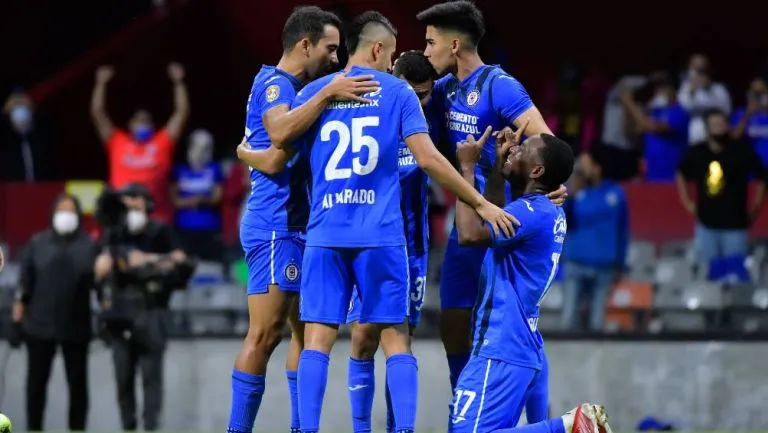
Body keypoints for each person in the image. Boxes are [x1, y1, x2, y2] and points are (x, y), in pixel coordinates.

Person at [281, 11, 516, 433]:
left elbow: (280, 142)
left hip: (326, 232)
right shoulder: (397, 92)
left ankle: (305, 429)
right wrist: (481, 203)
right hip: (381, 236)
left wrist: (246, 151)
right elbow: (428, 159)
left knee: (316, 338)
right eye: (390, 53)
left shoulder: (315, 92)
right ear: (377, 48)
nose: (392, 62)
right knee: (396, 338)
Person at [227, 7, 379, 433]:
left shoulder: (295, 88)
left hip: (301, 227)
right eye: (330, 49)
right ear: (305, 44)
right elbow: (278, 142)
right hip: (277, 225)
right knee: (265, 334)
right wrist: (328, 94)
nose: (335, 58)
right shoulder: (277, 85)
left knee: (303, 334)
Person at [415, 0, 562, 391]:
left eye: (431, 42)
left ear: (455, 45)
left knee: (511, 329)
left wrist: (554, 183)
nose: (426, 51)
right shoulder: (443, 89)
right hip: (466, 221)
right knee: (452, 319)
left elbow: (547, 142)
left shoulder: (499, 85)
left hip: (502, 222)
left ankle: (533, 409)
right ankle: (462, 402)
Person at [452, 124, 609, 433]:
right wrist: (499, 170)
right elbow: (495, 214)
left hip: (502, 345)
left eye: (523, 149)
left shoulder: (530, 212)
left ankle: (570, 426)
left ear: (536, 171)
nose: (514, 148)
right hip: (522, 344)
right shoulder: (543, 211)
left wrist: (466, 169)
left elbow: (470, 234)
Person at [343, 50, 440, 433]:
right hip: (366, 242)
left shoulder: (428, 123)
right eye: (414, 93)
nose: (420, 102)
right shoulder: (365, 111)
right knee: (363, 336)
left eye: (426, 95)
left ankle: (397, 429)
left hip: (411, 247)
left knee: (399, 338)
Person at [93, 184, 192, 431]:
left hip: (152, 312)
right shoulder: (114, 233)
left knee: (152, 379)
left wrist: (147, 261)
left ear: (147, 203)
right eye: (128, 199)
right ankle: (128, 426)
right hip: (119, 316)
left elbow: (183, 263)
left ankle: (150, 426)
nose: (132, 204)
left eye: (137, 198)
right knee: (123, 378)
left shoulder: (161, 231)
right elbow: (101, 272)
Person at [12, 194, 99, 431]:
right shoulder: (37, 243)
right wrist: (19, 306)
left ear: (78, 215)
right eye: (62, 210)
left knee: (78, 386)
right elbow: (25, 280)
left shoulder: (89, 246)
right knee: (36, 384)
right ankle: (34, 427)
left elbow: (99, 284)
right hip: (40, 324)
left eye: (71, 211)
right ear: (53, 214)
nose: (66, 215)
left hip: (76, 324)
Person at [90, 62, 190, 224]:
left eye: (146, 121)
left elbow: (181, 112)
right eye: (138, 121)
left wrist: (179, 83)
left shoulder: (162, 142)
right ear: (130, 124)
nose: (142, 124)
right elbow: (98, 112)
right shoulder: (117, 141)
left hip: (156, 217)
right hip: (122, 217)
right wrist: (100, 83)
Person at [676, 109, 767, 267]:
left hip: (735, 225)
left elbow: (762, 176)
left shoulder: (741, 151)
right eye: (715, 125)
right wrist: (687, 202)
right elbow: (681, 173)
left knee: (735, 272)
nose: (719, 128)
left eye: (722, 124)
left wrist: (757, 206)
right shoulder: (697, 152)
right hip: (706, 224)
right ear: (707, 128)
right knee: (706, 272)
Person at [561, 150, 629, 331]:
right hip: (576, 262)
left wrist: (620, 263)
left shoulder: (616, 194)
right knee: (569, 319)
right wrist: (570, 195)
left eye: (586, 164)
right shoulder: (574, 192)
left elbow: (622, 231)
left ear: (598, 168)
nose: (581, 169)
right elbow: (561, 221)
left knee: (597, 322)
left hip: (604, 265)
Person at [170, 128, 223, 261]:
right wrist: (191, 201)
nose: (201, 151)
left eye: (206, 147)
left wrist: (203, 200)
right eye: (198, 146)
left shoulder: (215, 169)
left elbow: (217, 197)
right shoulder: (179, 170)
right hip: (184, 226)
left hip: (209, 225)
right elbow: (174, 199)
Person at [731, 77, 768, 166]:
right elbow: (734, 137)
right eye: (755, 92)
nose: (758, 96)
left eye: (761, 92)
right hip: (752, 166)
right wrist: (748, 113)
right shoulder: (740, 113)